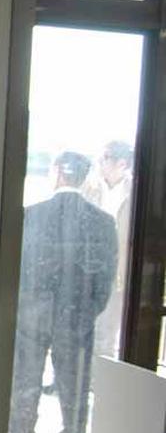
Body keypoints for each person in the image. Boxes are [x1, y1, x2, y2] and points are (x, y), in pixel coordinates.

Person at [7, 152, 117, 433]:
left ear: (56, 173)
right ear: (84, 177)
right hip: (77, 316)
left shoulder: (31, 215)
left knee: (25, 381)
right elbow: (105, 279)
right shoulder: (103, 221)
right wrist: (87, 312)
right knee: (75, 385)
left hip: (31, 315)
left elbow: (17, 270)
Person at [82, 141, 134, 359]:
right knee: (81, 325)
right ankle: (72, 380)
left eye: (105, 158)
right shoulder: (89, 187)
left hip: (118, 269)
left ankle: (98, 382)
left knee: (108, 328)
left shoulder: (136, 191)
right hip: (89, 266)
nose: (100, 162)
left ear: (121, 163)